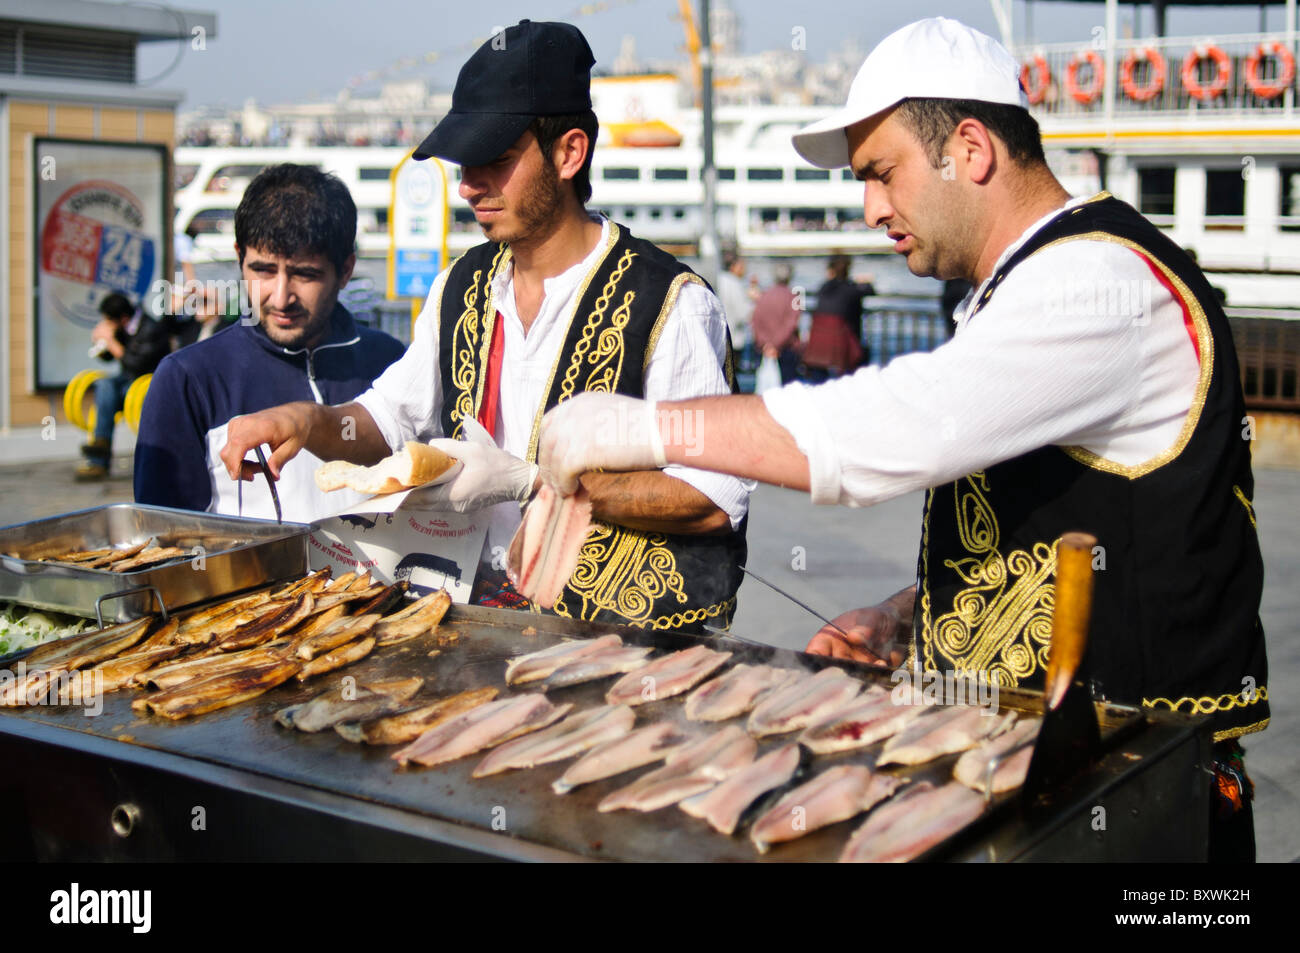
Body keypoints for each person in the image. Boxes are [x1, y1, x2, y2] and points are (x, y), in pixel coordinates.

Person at [536, 18, 1267, 860]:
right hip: (1052, 791)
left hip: (1150, 809)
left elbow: (899, 426)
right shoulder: (1019, 287)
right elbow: (1055, 520)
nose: (871, 208)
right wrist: (907, 618)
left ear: (970, 148)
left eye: (883, 174)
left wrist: (645, 425)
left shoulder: (1097, 283)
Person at [218, 21, 750, 632]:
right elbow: (391, 418)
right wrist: (307, 421)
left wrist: (536, 484)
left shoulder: (671, 303)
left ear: (569, 153)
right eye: (466, 165)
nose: (470, 187)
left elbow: (713, 498)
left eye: (496, 162)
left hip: (622, 648)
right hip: (476, 627)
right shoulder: (460, 287)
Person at [134, 164, 406, 521]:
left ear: (346, 270)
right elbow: (164, 542)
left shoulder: (395, 364)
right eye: (263, 270)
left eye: (305, 274)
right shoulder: (186, 378)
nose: (281, 298)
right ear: (238, 257)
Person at [77, 293, 172, 481]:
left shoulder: (151, 328)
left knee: (115, 392)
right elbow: (109, 358)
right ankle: (100, 447)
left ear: (123, 318)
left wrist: (112, 343)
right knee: (104, 384)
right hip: (127, 380)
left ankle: (100, 458)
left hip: (147, 383)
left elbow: (137, 364)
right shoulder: (123, 326)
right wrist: (100, 342)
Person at [802, 253, 874, 380]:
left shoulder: (824, 287)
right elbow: (870, 292)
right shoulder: (852, 289)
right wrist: (864, 282)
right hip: (842, 346)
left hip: (818, 347)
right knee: (862, 357)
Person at [750, 262, 801, 384]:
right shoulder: (793, 297)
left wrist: (766, 344)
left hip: (764, 349)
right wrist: (775, 345)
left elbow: (755, 320)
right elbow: (791, 325)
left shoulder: (764, 295)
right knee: (787, 388)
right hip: (786, 350)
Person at [716, 249, 758, 373]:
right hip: (733, 338)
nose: (744, 270)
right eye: (742, 266)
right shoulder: (734, 284)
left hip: (718, 337)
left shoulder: (718, 279)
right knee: (731, 377)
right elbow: (744, 314)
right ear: (734, 266)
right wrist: (754, 299)